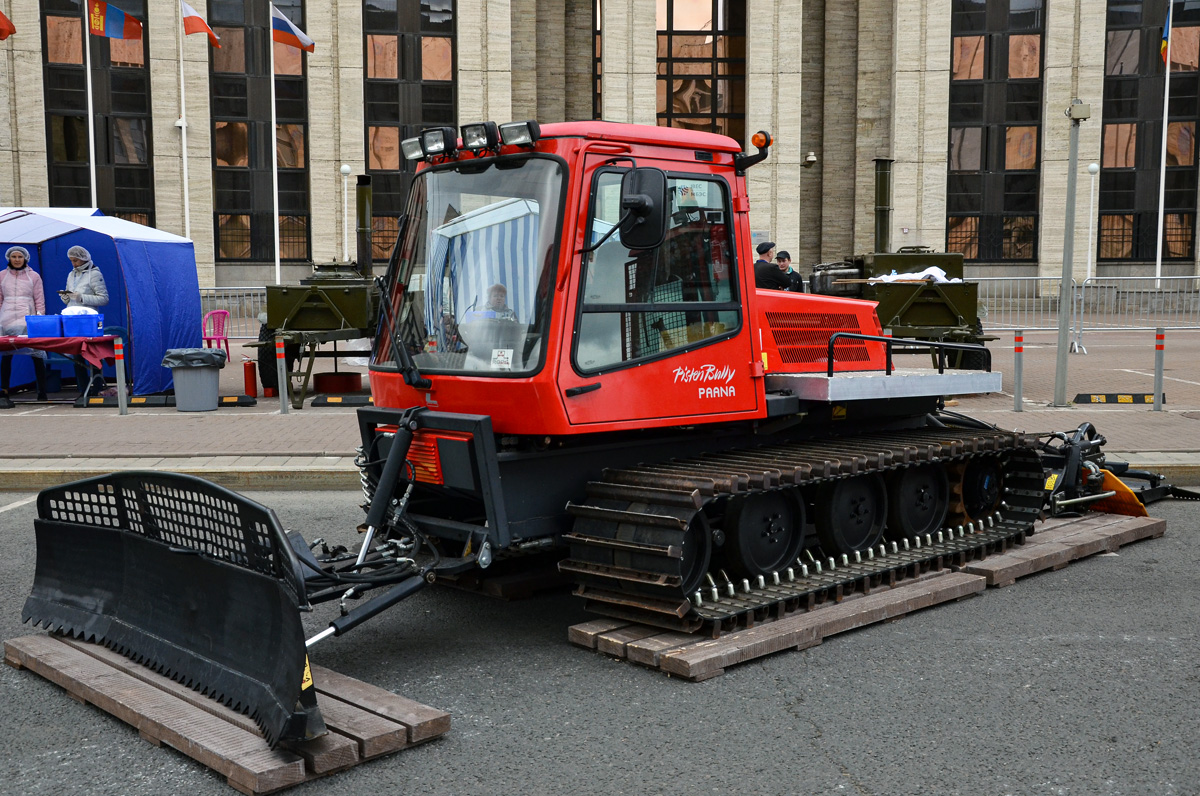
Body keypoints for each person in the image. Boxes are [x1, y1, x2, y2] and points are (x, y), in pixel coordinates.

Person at [0, 246, 49, 404]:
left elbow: (39, 299)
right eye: (13, 256)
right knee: (7, 355)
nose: (16, 259)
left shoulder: (33, 276)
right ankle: (5, 391)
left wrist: (39, 318)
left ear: (25, 258)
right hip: (6, 319)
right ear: (9, 258)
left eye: (19, 257)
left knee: (36, 354)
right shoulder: (1, 276)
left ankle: (42, 391)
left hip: (27, 318)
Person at [60, 245, 109, 396]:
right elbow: (70, 298)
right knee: (77, 355)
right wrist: (65, 297)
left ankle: (97, 386)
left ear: (83, 259)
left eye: (76, 260)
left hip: (90, 320)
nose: (73, 264)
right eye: (71, 261)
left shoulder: (94, 274)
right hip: (73, 320)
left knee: (93, 353)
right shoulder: (71, 274)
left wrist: (81, 298)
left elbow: (104, 299)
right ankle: (82, 389)